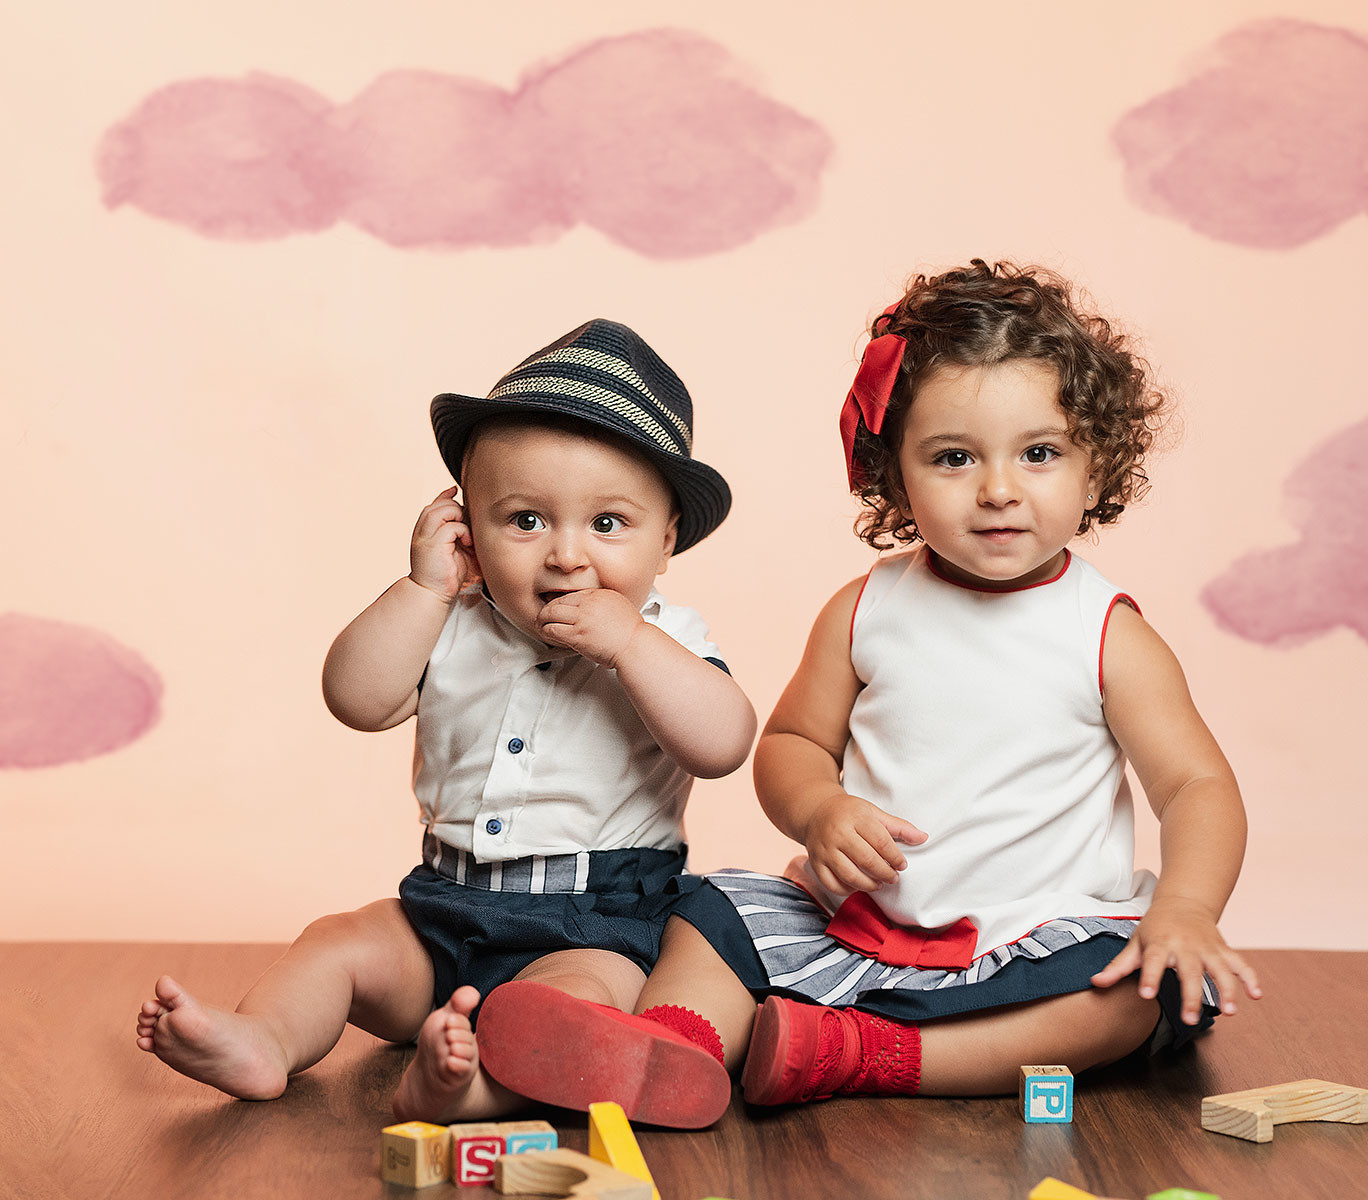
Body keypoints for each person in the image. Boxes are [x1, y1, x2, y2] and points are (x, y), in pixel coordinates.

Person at [474, 260, 1262, 1125]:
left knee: (1137, 993)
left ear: (1097, 464)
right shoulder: (867, 611)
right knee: (710, 915)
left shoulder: (1106, 633)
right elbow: (789, 745)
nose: (999, 489)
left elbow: (1195, 786)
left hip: (1036, 939)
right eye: (954, 457)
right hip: (860, 924)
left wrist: (1184, 911)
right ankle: (674, 1046)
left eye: (1039, 454)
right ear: (894, 475)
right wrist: (818, 811)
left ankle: (868, 1054)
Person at [135, 318, 756, 1125]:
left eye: (607, 524)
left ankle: (471, 1084)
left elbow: (724, 743)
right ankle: (263, 1039)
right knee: (338, 942)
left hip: (590, 926)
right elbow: (355, 700)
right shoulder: (452, 619)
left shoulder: (667, 639)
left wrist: (631, 644)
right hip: (439, 912)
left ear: (666, 540)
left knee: (574, 1010)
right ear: (469, 525)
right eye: (525, 520)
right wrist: (421, 590)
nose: (566, 555)